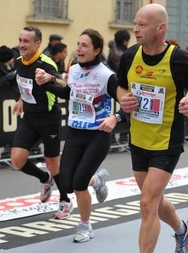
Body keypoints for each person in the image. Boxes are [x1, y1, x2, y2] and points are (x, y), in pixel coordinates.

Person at [116, 4, 188, 253]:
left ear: (160, 28)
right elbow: (121, 87)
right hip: (138, 139)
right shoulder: (130, 56)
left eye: (142, 25)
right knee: (154, 201)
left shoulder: (178, 59)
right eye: (135, 23)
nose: (135, 29)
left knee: (147, 203)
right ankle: (182, 230)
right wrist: (124, 99)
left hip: (166, 141)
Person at [37, 28, 127, 241]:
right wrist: (47, 85)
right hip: (76, 132)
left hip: (98, 134)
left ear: (96, 50)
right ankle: (97, 181)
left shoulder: (107, 75)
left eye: (84, 45)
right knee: (66, 184)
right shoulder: (74, 69)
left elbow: (128, 101)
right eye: (78, 44)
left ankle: (85, 225)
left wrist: (116, 117)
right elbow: (70, 93)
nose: (79, 48)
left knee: (78, 184)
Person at [11, 26, 66, 208]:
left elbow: (64, 83)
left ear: (38, 43)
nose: (22, 45)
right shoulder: (19, 62)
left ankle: (65, 200)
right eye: (20, 40)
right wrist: (21, 100)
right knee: (17, 160)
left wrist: (50, 78)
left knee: (52, 163)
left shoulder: (45, 62)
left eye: (26, 41)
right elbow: (23, 83)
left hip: (48, 118)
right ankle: (44, 179)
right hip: (29, 118)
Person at [107, 29, 131, 151]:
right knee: (121, 115)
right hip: (119, 87)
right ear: (125, 41)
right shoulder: (121, 54)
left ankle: (120, 141)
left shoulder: (115, 49)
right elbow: (122, 73)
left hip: (117, 86)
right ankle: (117, 142)